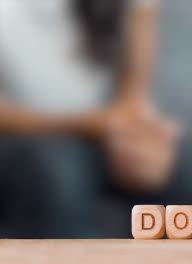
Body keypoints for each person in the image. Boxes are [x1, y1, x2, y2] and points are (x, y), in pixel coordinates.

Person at [0, 0, 180, 238]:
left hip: (101, 129)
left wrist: (137, 136)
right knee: (56, 171)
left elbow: (134, 87)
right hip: (18, 133)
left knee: (178, 167)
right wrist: (89, 123)